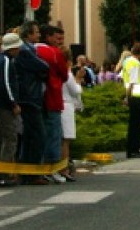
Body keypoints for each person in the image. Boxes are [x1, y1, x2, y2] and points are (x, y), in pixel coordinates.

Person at [14, 20, 50, 185]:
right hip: (30, 97)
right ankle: (33, 172)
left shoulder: (29, 49)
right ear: (28, 34)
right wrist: (41, 69)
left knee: (29, 136)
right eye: (36, 32)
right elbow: (43, 66)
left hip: (30, 96)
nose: (39, 35)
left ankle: (27, 172)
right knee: (38, 135)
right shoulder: (25, 51)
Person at [35, 24, 69, 184]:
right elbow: (64, 74)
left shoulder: (31, 50)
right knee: (54, 134)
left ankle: (40, 167)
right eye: (56, 38)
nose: (59, 42)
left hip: (36, 98)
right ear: (48, 37)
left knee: (39, 134)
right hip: (53, 96)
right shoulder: (54, 53)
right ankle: (53, 168)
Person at [0, 32, 23, 187]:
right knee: (10, 138)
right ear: (13, 48)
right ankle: (5, 173)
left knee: (1, 138)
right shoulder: (7, 61)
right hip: (3, 105)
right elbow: (6, 83)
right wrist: (13, 103)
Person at [122, 42, 140, 158]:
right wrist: (127, 97)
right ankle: (134, 150)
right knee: (136, 125)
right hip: (136, 97)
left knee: (133, 124)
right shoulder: (135, 63)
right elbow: (133, 82)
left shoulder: (127, 61)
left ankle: (131, 150)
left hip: (132, 96)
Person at [61, 47, 84, 181]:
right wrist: (78, 79)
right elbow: (75, 90)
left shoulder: (58, 71)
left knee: (61, 139)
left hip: (61, 104)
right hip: (67, 105)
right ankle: (64, 168)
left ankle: (62, 167)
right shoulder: (67, 73)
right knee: (66, 139)